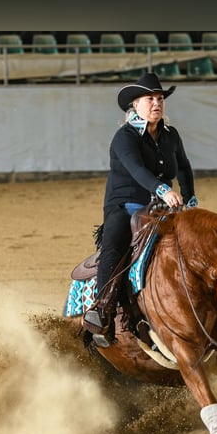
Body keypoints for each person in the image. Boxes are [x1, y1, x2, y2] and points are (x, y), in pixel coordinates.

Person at [83, 72, 197, 344]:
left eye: (160, 98)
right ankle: (103, 310)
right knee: (115, 243)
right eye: (150, 99)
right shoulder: (124, 137)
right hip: (124, 205)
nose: (157, 103)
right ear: (135, 105)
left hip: (161, 207)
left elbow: (182, 166)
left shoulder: (170, 136)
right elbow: (136, 169)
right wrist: (164, 190)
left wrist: (190, 198)